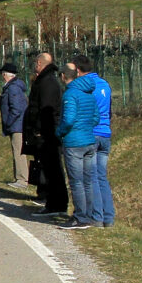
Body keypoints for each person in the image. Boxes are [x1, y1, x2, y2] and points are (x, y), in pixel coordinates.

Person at [57, 57, 109, 230]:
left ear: (65, 76)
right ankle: (90, 215)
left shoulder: (70, 94)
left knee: (77, 181)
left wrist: (60, 132)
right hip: (89, 139)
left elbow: (69, 119)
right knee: (88, 180)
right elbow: (96, 117)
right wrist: (86, 127)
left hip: (74, 142)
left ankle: (80, 216)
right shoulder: (88, 92)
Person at [28, 52, 69, 218]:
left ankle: (56, 204)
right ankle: (53, 202)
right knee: (49, 169)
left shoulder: (47, 83)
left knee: (53, 170)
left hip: (48, 133)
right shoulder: (46, 80)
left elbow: (46, 109)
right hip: (46, 132)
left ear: (39, 63)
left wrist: (39, 129)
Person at [0, 63, 29, 186]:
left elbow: (16, 108)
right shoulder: (14, 87)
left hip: (17, 125)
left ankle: (22, 179)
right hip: (17, 124)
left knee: (18, 152)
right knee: (17, 151)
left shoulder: (13, 88)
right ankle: (19, 177)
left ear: (6, 74)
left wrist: (8, 122)